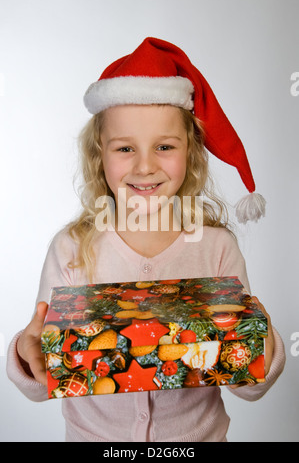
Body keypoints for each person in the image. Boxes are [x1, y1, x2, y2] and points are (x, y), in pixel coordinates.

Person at [7, 37, 285, 442]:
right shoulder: (71, 249)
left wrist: (263, 343)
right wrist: (27, 354)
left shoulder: (216, 248)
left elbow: (248, 383)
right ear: (99, 154)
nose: (145, 166)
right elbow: (44, 373)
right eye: (125, 148)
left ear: (189, 151)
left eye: (164, 146)